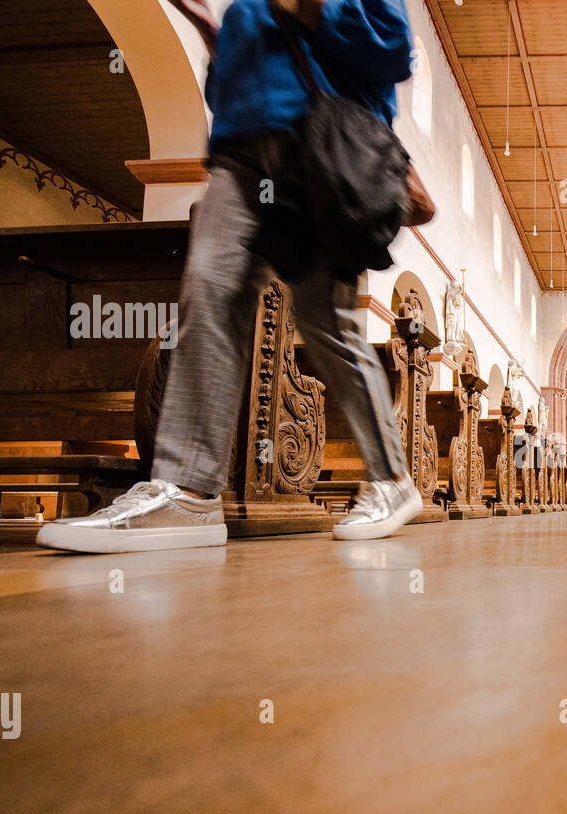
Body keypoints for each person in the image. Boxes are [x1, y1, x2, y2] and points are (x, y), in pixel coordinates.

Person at [37, 0, 421, 554]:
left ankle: (392, 479)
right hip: (239, 153)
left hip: (321, 146)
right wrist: (218, 41)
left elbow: (393, 49)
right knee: (209, 296)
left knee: (325, 322)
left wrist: (310, 10)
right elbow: (225, 94)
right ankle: (188, 492)